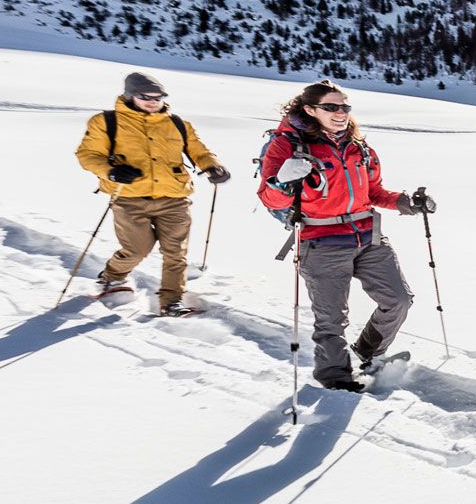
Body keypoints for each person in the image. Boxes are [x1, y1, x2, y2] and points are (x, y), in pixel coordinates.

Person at [255, 80, 430, 392]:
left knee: (399, 300)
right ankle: (335, 380)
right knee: (331, 321)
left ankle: (368, 352)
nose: (341, 113)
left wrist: (404, 202)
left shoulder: (358, 145)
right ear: (310, 110)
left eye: (345, 107)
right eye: (331, 107)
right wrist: (282, 181)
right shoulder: (288, 146)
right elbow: (272, 199)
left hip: (367, 235)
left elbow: (372, 191)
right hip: (321, 241)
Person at [74, 71, 230, 316]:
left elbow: (199, 150)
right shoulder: (105, 122)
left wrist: (213, 166)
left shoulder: (177, 123)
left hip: (174, 197)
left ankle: (171, 302)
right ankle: (112, 277)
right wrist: (111, 172)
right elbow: (87, 155)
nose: (152, 101)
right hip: (129, 198)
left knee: (176, 251)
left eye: (158, 97)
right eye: (145, 96)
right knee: (137, 249)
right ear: (130, 96)